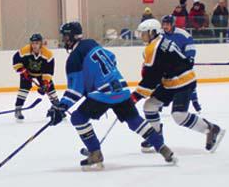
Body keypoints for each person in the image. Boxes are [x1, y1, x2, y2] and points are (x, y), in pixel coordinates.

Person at [45, 22, 174, 170]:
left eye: (65, 36)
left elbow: (76, 90)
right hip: (121, 87)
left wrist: (61, 107)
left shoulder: (74, 58)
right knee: (134, 120)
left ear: (71, 37)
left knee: (78, 118)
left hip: (104, 93)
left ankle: (95, 152)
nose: (64, 40)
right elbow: (112, 58)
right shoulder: (91, 43)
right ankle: (162, 147)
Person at [134, 18, 225, 155]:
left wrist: (135, 96)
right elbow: (155, 73)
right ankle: (156, 137)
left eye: (144, 33)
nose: (142, 36)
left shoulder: (154, 47)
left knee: (179, 115)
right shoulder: (158, 43)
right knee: (150, 106)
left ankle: (211, 129)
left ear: (152, 32)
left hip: (183, 82)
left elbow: (151, 78)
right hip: (170, 82)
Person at [12, 34, 59, 121]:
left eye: (37, 43)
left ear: (41, 43)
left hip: (41, 74)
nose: (34, 45)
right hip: (27, 73)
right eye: (33, 43)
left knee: (50, 89)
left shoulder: (48, 54)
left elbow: (49, 71)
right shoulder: (25, 50)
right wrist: (21, 70)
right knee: (23, 89)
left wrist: (45, 83)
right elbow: (16, 60)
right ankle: (18, 109)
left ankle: (58, 108)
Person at [161, 15, 202, 112]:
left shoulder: (183, 34)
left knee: (187, 81)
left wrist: (190, 57)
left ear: (173, 24)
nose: (165, 26)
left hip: (181, 63)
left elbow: (190, 46)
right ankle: (160, 103)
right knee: (161, 82)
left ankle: (195, 101)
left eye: (167, 24)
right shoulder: (160, 35)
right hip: (166, 64)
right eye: (164, 24)